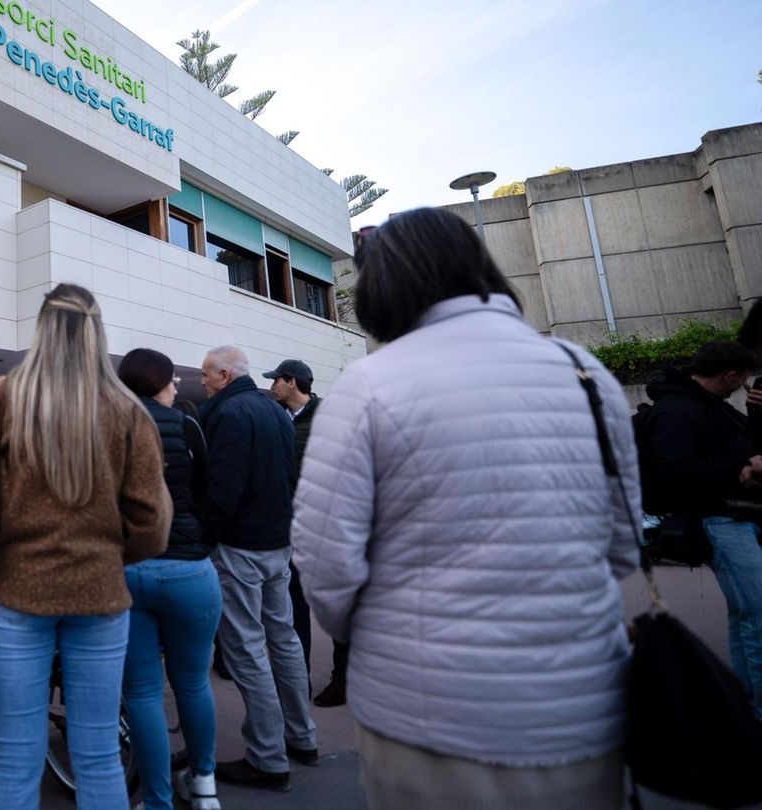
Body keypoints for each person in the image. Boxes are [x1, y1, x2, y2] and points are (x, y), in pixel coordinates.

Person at [292, 207, 641, 809]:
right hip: (587, 702)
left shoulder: (370, 384)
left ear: (383, 284)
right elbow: (623, 541)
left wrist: (381, 632)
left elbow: (325, 563)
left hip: (429, 712)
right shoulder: (585, 372)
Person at [0, 284, 171, 809]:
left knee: (15, 757)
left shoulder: (2, 397)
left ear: (40, 330)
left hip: (15, 593)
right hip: (101, 596)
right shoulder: (128, 410)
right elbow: (152, 522)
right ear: (96, 334)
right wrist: (108, 554)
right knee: (100, 752)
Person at [197, 345, 317, 791]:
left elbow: (224, 489)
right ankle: (301, 738)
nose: (203, 381)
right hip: (276, 544)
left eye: (207, 375)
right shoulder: (273, 413)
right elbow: (286, 478)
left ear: (225, 375)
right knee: (282, 640)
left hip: (240, 548)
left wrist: (205, 538)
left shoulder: (229, 416)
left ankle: (268, 758)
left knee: (247, 650)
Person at [116, 348, 222, 810]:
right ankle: (204, 787)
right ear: (157, 382)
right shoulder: (188, 425)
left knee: (141, 692)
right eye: (173, 379)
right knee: (193, 683)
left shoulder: (109, 428)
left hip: (128, 570)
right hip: (188, 568)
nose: (178, 386)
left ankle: (157, 800)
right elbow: (205, 492)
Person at [636, 339, 762, 719]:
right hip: (719, 520)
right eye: (743, 377)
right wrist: (736, 470)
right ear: (730, 375)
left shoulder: (709, 406)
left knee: (748, 616)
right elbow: (673, 472)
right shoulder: (677, 411)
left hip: (734, 518)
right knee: (756, 615)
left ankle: (750, 705)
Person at [263, 358, 346, 708]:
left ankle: (343, 679)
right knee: (294, 605)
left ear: (292, 383)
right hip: (291, 528)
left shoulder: (330, 419)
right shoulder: (275, 416)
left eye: (276, 380)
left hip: (327, 526)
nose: (272, 386)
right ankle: (300, 680)